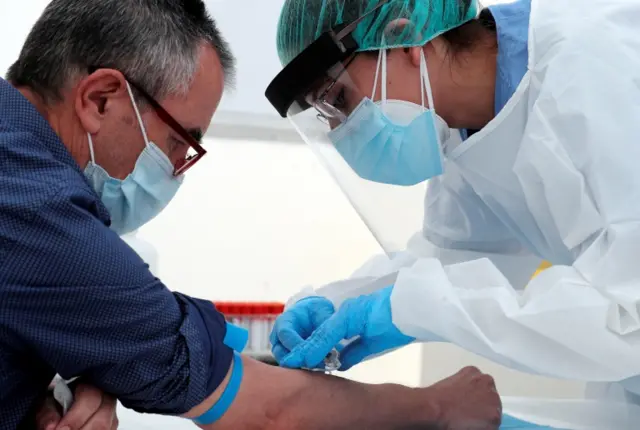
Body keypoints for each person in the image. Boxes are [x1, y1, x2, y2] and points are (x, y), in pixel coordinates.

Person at [0, 0, 504, 429]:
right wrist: (436, 406)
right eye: (180, 142)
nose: (177, 169)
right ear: (100, 99)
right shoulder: (37, 211)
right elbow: (268, 411)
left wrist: (54, 383)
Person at [265, 0, 640, 422]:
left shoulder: (595, 66)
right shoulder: (464, 134)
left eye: (338, 98)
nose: (340, 129)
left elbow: (630, 319)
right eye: (324, 113)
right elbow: (456, 257)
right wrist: (338, 302)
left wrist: (410, 309)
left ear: (402, 37)